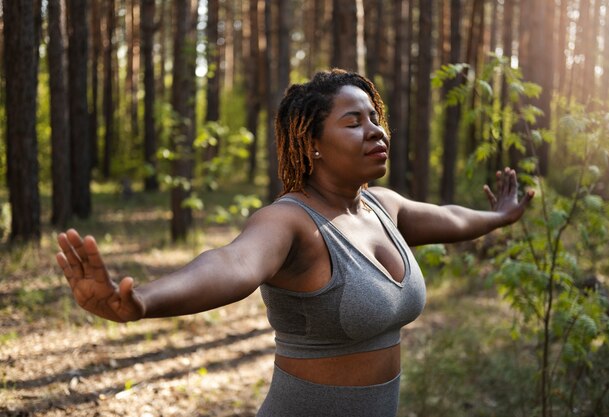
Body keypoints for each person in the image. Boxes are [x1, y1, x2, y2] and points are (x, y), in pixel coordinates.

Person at [56, 69, 534, 417]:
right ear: (313, 144)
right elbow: (231, 264)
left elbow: (450, 217)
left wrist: (497, 216)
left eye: (375, 118)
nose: (375, 131)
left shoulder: (382, 207)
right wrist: (140, 301)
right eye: (353, 122)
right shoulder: (288, 221)